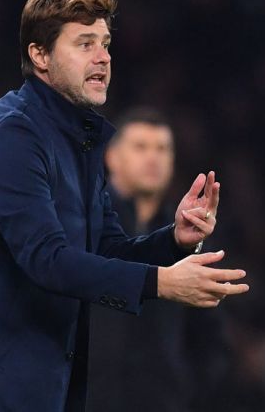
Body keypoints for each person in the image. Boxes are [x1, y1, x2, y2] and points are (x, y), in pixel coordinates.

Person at [0, 0, 249, 412]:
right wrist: (162, 283)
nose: (103, 58)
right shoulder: (14, 137)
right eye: (85, 44)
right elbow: (47, 259)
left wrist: (174, 241)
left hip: (33, 393)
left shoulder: (79, 142)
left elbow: (105, 249)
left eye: (106, 44)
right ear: (40, 56)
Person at [87, 107, 229, 411]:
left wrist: (189, 396)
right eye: (140, 147)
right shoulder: (84, 223)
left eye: (163, 149)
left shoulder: (194, 236)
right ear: (112, 157)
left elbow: (209, 337)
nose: (153, 158)